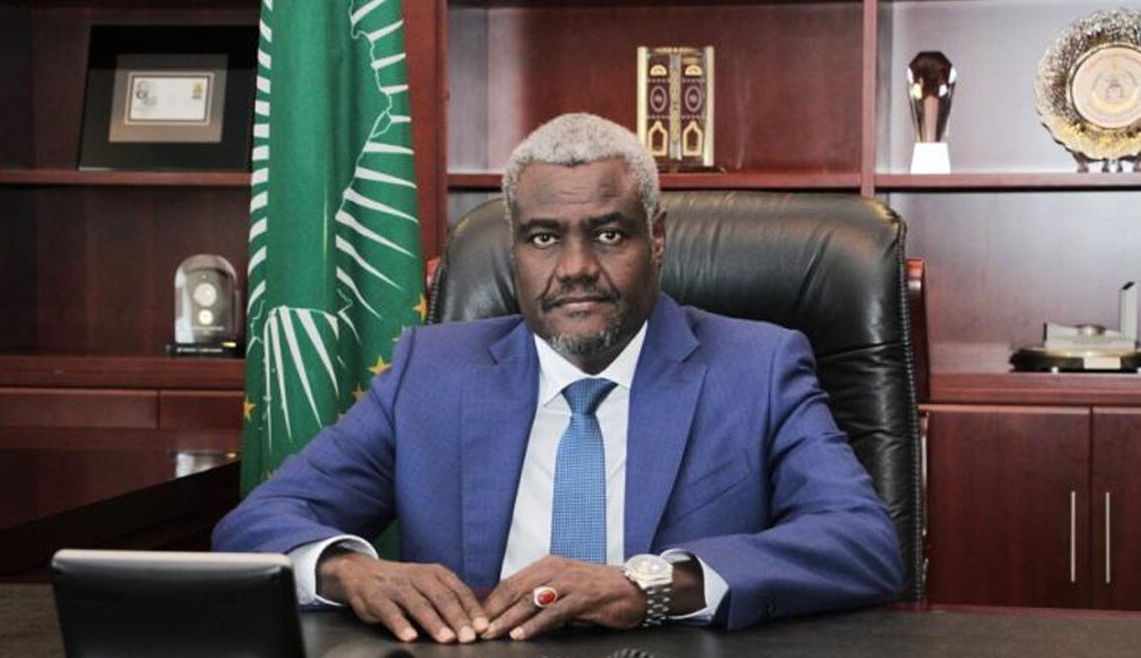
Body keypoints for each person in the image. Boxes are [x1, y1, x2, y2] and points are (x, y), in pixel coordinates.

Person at [213, 113, 902, 644]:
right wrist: (348, 570)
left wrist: (649, 587)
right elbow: (256, 524)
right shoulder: (431, 374)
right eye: (544, 238)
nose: (576, 268)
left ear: (657, 238)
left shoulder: (758, 367)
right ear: (513, 248)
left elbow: (862, 543)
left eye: (609, 234)